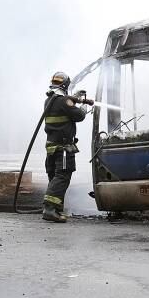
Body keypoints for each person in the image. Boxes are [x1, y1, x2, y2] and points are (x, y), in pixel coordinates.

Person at [42, 72, 90, 223]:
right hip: (63, 148)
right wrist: (83, 105)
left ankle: (55, 209)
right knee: (62, 176)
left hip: (51, 147)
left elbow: (64, 107)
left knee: (55, 177)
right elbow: (79, 116)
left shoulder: (49, 100)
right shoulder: (63, 101)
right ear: (65, 85)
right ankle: (50, 209)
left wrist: (73, 98)